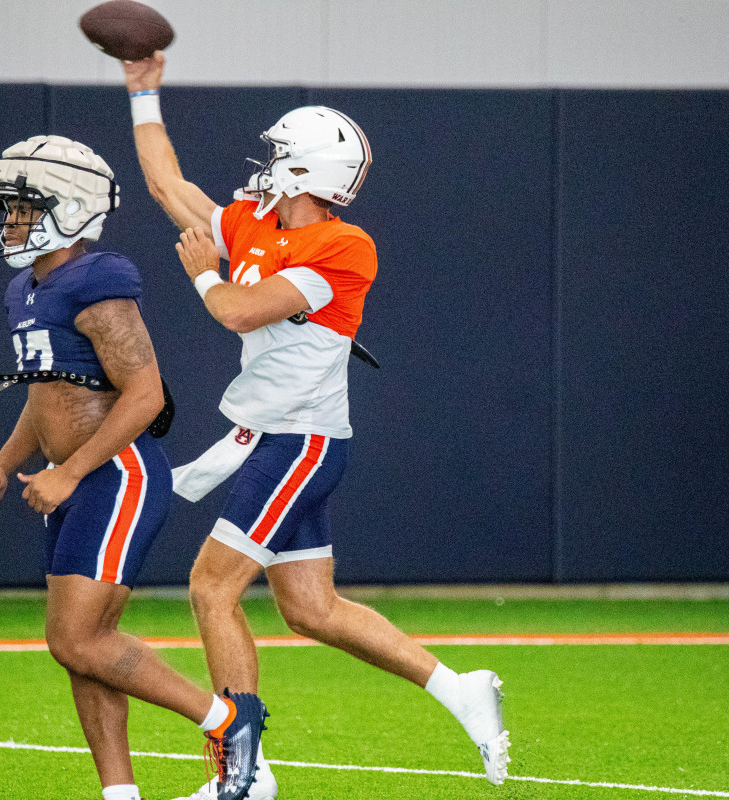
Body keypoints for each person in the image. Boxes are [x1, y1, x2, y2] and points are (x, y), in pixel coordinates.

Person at [119, 56, 512, 800]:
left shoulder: (342, 246)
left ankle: (244, 771)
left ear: (303, 169)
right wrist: (144, 91)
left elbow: (236, 309)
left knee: (211, 588)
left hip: (300, 443)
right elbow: (167, 184)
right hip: (280, 440)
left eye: (276, 157)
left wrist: (204, 273)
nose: (264, 168)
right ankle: (462, 690)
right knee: (310, 608)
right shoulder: (255, 224)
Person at [0, 135, 267, 800]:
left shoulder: (97, 280)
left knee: (76, 638)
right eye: (7, 208)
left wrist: (70, 474)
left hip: (117, 476)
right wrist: (0, 467)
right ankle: (119, 793)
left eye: (22, 207)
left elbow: (146, 393)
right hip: (74, 482)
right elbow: (45, 395)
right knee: (80, 649)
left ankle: (226, 722)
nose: (9, 220)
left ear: (69, 208)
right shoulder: (26, 288)